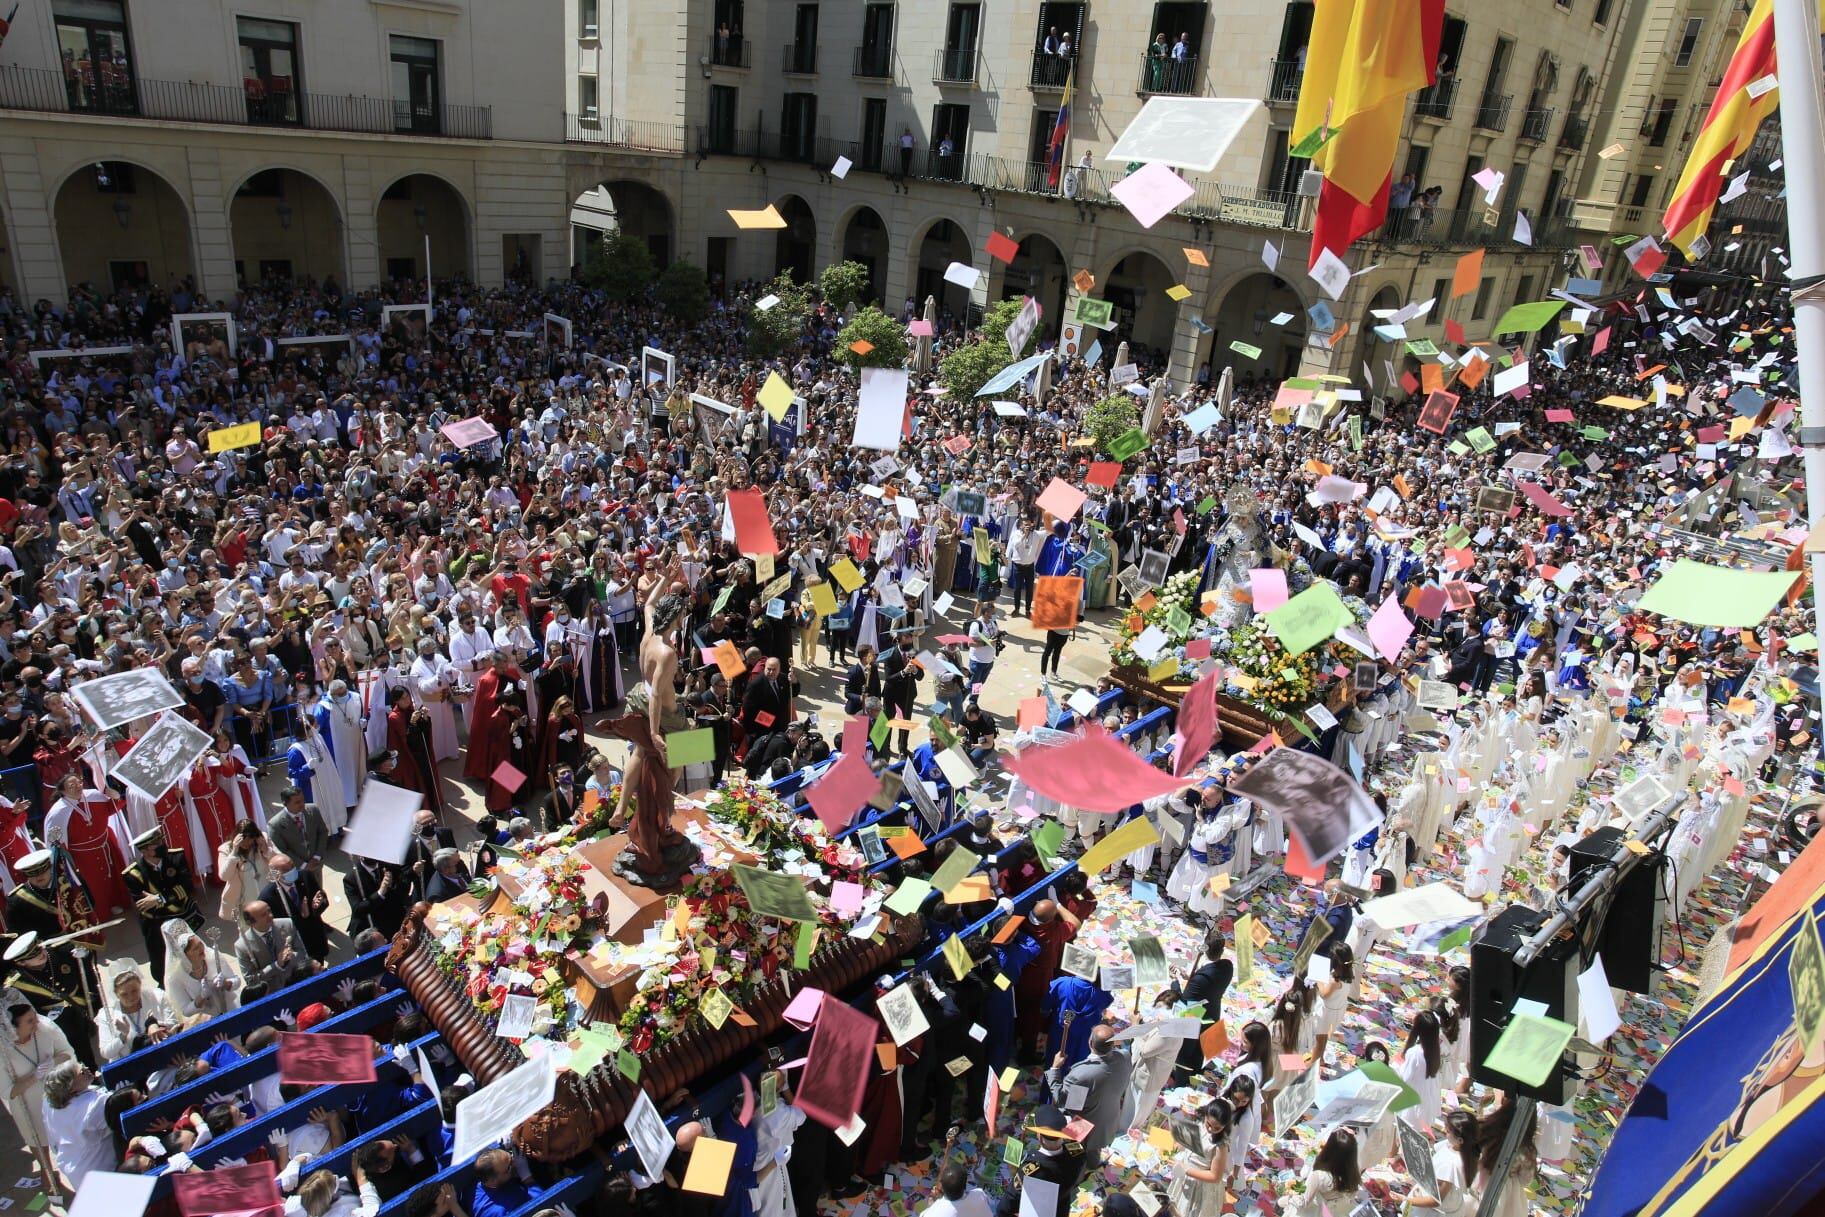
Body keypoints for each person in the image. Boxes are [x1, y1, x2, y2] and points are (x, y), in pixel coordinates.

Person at [2, 1003, 72, 1194]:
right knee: (37, 1139)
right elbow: (8, 1092)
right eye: (30, 1021)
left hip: (57, 1092)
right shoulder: (3, 1050)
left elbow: (67, 1052)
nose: (37, 1022)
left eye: (35, 1016)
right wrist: (34, 1076)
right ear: (14, 1028)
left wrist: (51, 1063)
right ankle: (47, 1169)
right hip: (28, 1102)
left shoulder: (45, 1028)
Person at [0, 933, 97, 1070]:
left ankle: (92, 1072)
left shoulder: (60, 953)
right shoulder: (18, 983)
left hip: (77, 1011)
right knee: (69, 1058)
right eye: (33, 955)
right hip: (55, 1024)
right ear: (21, 962)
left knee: (85, 1048)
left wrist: (85, 957)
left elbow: (86, 976)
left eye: (40, 949)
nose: (41, 954)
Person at [120, 827, 202, 987]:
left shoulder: (176, 857)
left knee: (190, 953)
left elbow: (187, 886)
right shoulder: (133, 874)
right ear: (145, 851)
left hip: (182, 917)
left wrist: (159, 898)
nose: (162, 844)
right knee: (160, 962)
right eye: (156, 843)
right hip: (156, 924)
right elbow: (145, 905)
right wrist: (171, 897)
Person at [1045, 1023, 1132, 1163]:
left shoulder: (1082, 1074)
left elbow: (1067, 1104)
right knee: (1093, 1157)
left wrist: (1054, 1069)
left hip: (1084, 1129)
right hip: (1108, 1121)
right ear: (1113, 1044)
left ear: (1090, 1042)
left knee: (1075, 1159)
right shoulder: (1125, 1056)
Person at [997, 1106, 1085, 1217]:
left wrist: (1014, 1171)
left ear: (1039, 1136)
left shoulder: (1029, 1169)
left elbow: (1006, 1204)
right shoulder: (1078, 1154)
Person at [41, 1060, 113, 1191]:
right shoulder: (94, 1105)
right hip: (100, 1169)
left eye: (83, 1064)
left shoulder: (48, 1102)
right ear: (71, 1087)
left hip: (73, 1169)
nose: (86, 1068)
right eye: (82, 1071)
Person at [161, 919, 241, 1020]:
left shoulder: (212, 956)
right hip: (206, 1022)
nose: (201, 949)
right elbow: (185, 1011)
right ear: (184, 955)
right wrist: (201, 997)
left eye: (200, 944)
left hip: (232, 1009)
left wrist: (226, 983)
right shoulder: (174, 977)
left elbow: (237, 981)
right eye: (195, 948)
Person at [260, 850, 332, 962]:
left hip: (315, 938)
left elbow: (322, 899)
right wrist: (301, 916)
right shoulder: (268, 897)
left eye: (292, 866)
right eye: (286, 870)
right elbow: (275, 927)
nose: (292, 871)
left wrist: (316, 907)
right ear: (275, 874)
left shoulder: (305, 876)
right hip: (296, 946)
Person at [1168, 1096, 1233, 1217]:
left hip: (1200, 1186)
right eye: (1208, 1124)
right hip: (1184, 1177)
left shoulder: (1221, 1146)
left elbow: (1215, 1176)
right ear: (1206, 1116)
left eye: (1217, 1128)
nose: (1211, 1129)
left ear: (1225, 1126)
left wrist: (1186, 1169)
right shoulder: (1199, 1124)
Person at [235, 899, 316, 995]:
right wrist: (276, 965)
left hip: (299, 983)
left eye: (269, 911)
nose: (270, 916)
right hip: (274, 993)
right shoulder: (242, 946)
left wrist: (291, 956)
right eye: (263, 915)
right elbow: (251, 981)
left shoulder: (287, 924)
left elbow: (303, 953)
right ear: (251, 922)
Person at [1293, 1128, 1363, 1217]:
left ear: (1329, 1148)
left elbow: (1305, 1202)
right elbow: (1352, 1196)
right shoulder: (1353, 1174)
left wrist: (1287, 1200)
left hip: (1319, 1212)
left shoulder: (1319, 1175)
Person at [267, 787, 331, 876]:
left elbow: (323, 832)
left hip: (316, 864)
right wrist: (304, 865)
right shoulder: (275, 825)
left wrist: (317, 857)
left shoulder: (313, 810)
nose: (302, 804)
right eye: (297, 802)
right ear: (285, 803)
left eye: (303, 800)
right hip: (295, 869)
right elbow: (281, 850)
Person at [472, 1147, 544, 1217]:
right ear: (493, 1181)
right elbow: (542, 1206)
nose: (516, 1163)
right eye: (509, 1167)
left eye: (511, 1155)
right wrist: (527, 1177)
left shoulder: (484, 1180)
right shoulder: (504, 1209)